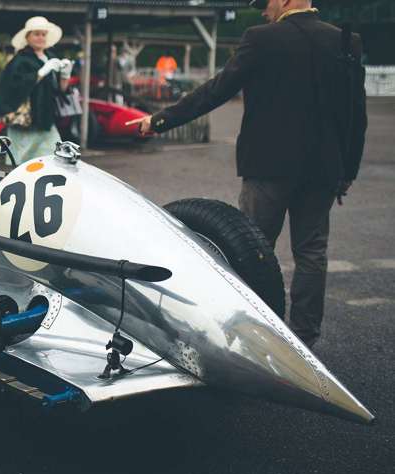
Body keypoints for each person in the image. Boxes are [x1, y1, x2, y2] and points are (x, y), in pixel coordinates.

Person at [130, 0, 367, 347]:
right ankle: (303, 337)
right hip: (323, 169)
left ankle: (251, 336)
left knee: (251, 250)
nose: (262, 10)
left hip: (269, 164)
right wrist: (348, 170)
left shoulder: (262, 38)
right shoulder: (346, 41)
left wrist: (160, 119)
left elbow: (217, 90)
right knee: (312, 253)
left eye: (266, 3)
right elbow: (355, 113)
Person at [0, 16, 73, 161]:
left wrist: (65, 75)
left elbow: (59, 90)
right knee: (22, 161)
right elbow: (13, 87)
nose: (41, 38)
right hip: (25, 121)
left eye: (43, 34)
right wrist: (41, 72)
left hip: (46, 119)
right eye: (36, 34)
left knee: (53, 157)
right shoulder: (20, 60)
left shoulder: (51, 57)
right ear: (27, 37)